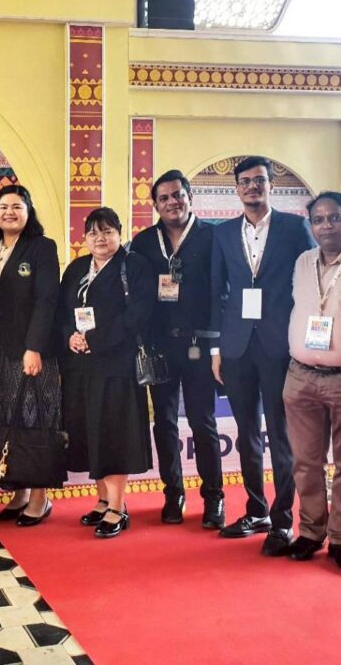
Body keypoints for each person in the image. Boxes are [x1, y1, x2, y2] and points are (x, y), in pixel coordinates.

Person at [211, 155, 314, 556]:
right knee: (247, 433)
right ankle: (256, 511)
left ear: (271, 185)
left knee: (281, 436)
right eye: (245, 181)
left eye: (259, 180)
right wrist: (217, 349)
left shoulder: (294, 227)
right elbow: (217, 293)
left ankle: (283, 520)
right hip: (236, 347)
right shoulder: (223, 233)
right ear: (236, 188)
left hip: (279, 346)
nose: (252, 187)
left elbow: (311, 281)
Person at [130, 170, 224, 528]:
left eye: (178, 195)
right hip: (160, 346)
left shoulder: (213, 237)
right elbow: (136, 295)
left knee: (203, 422)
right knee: (165, 422)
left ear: (190, 196)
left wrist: (217, 346)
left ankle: (213, 497)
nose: (172, 202)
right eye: (164, 198)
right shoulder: (143, 242)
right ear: (156, 205)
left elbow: (222, 294)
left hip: (200, 344)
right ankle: (173, 493)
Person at [59, 207, 155, 538]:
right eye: (93, 233)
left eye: (107, 231)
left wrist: (95, 340)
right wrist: (70, 337)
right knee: (90, 432)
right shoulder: (76, 269)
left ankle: (117, 506)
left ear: (119, 233)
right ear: (84, 238)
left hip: (117, 365)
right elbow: (62, 313)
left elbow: (138, 314)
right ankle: (101, 500)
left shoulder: (134, 266)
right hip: (80, 366)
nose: (100, 238)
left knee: (113, 433)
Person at [0, 185, 61, 526]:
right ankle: (19, 490)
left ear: (28, 211)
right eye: (3, 206)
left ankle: (40, 496)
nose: (9, 212)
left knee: (35, 418)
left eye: (17, 207)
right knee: (6, 417)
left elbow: (46, 301)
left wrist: (34, 347)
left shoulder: (41, 247)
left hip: (30, 351)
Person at [283, 192, 341, 568]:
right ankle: (310, 531)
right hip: (301, 375)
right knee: (305, 462)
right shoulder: (303, 261)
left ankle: (340, 536)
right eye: (318, 220)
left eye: (334, 217)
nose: (326, 226)